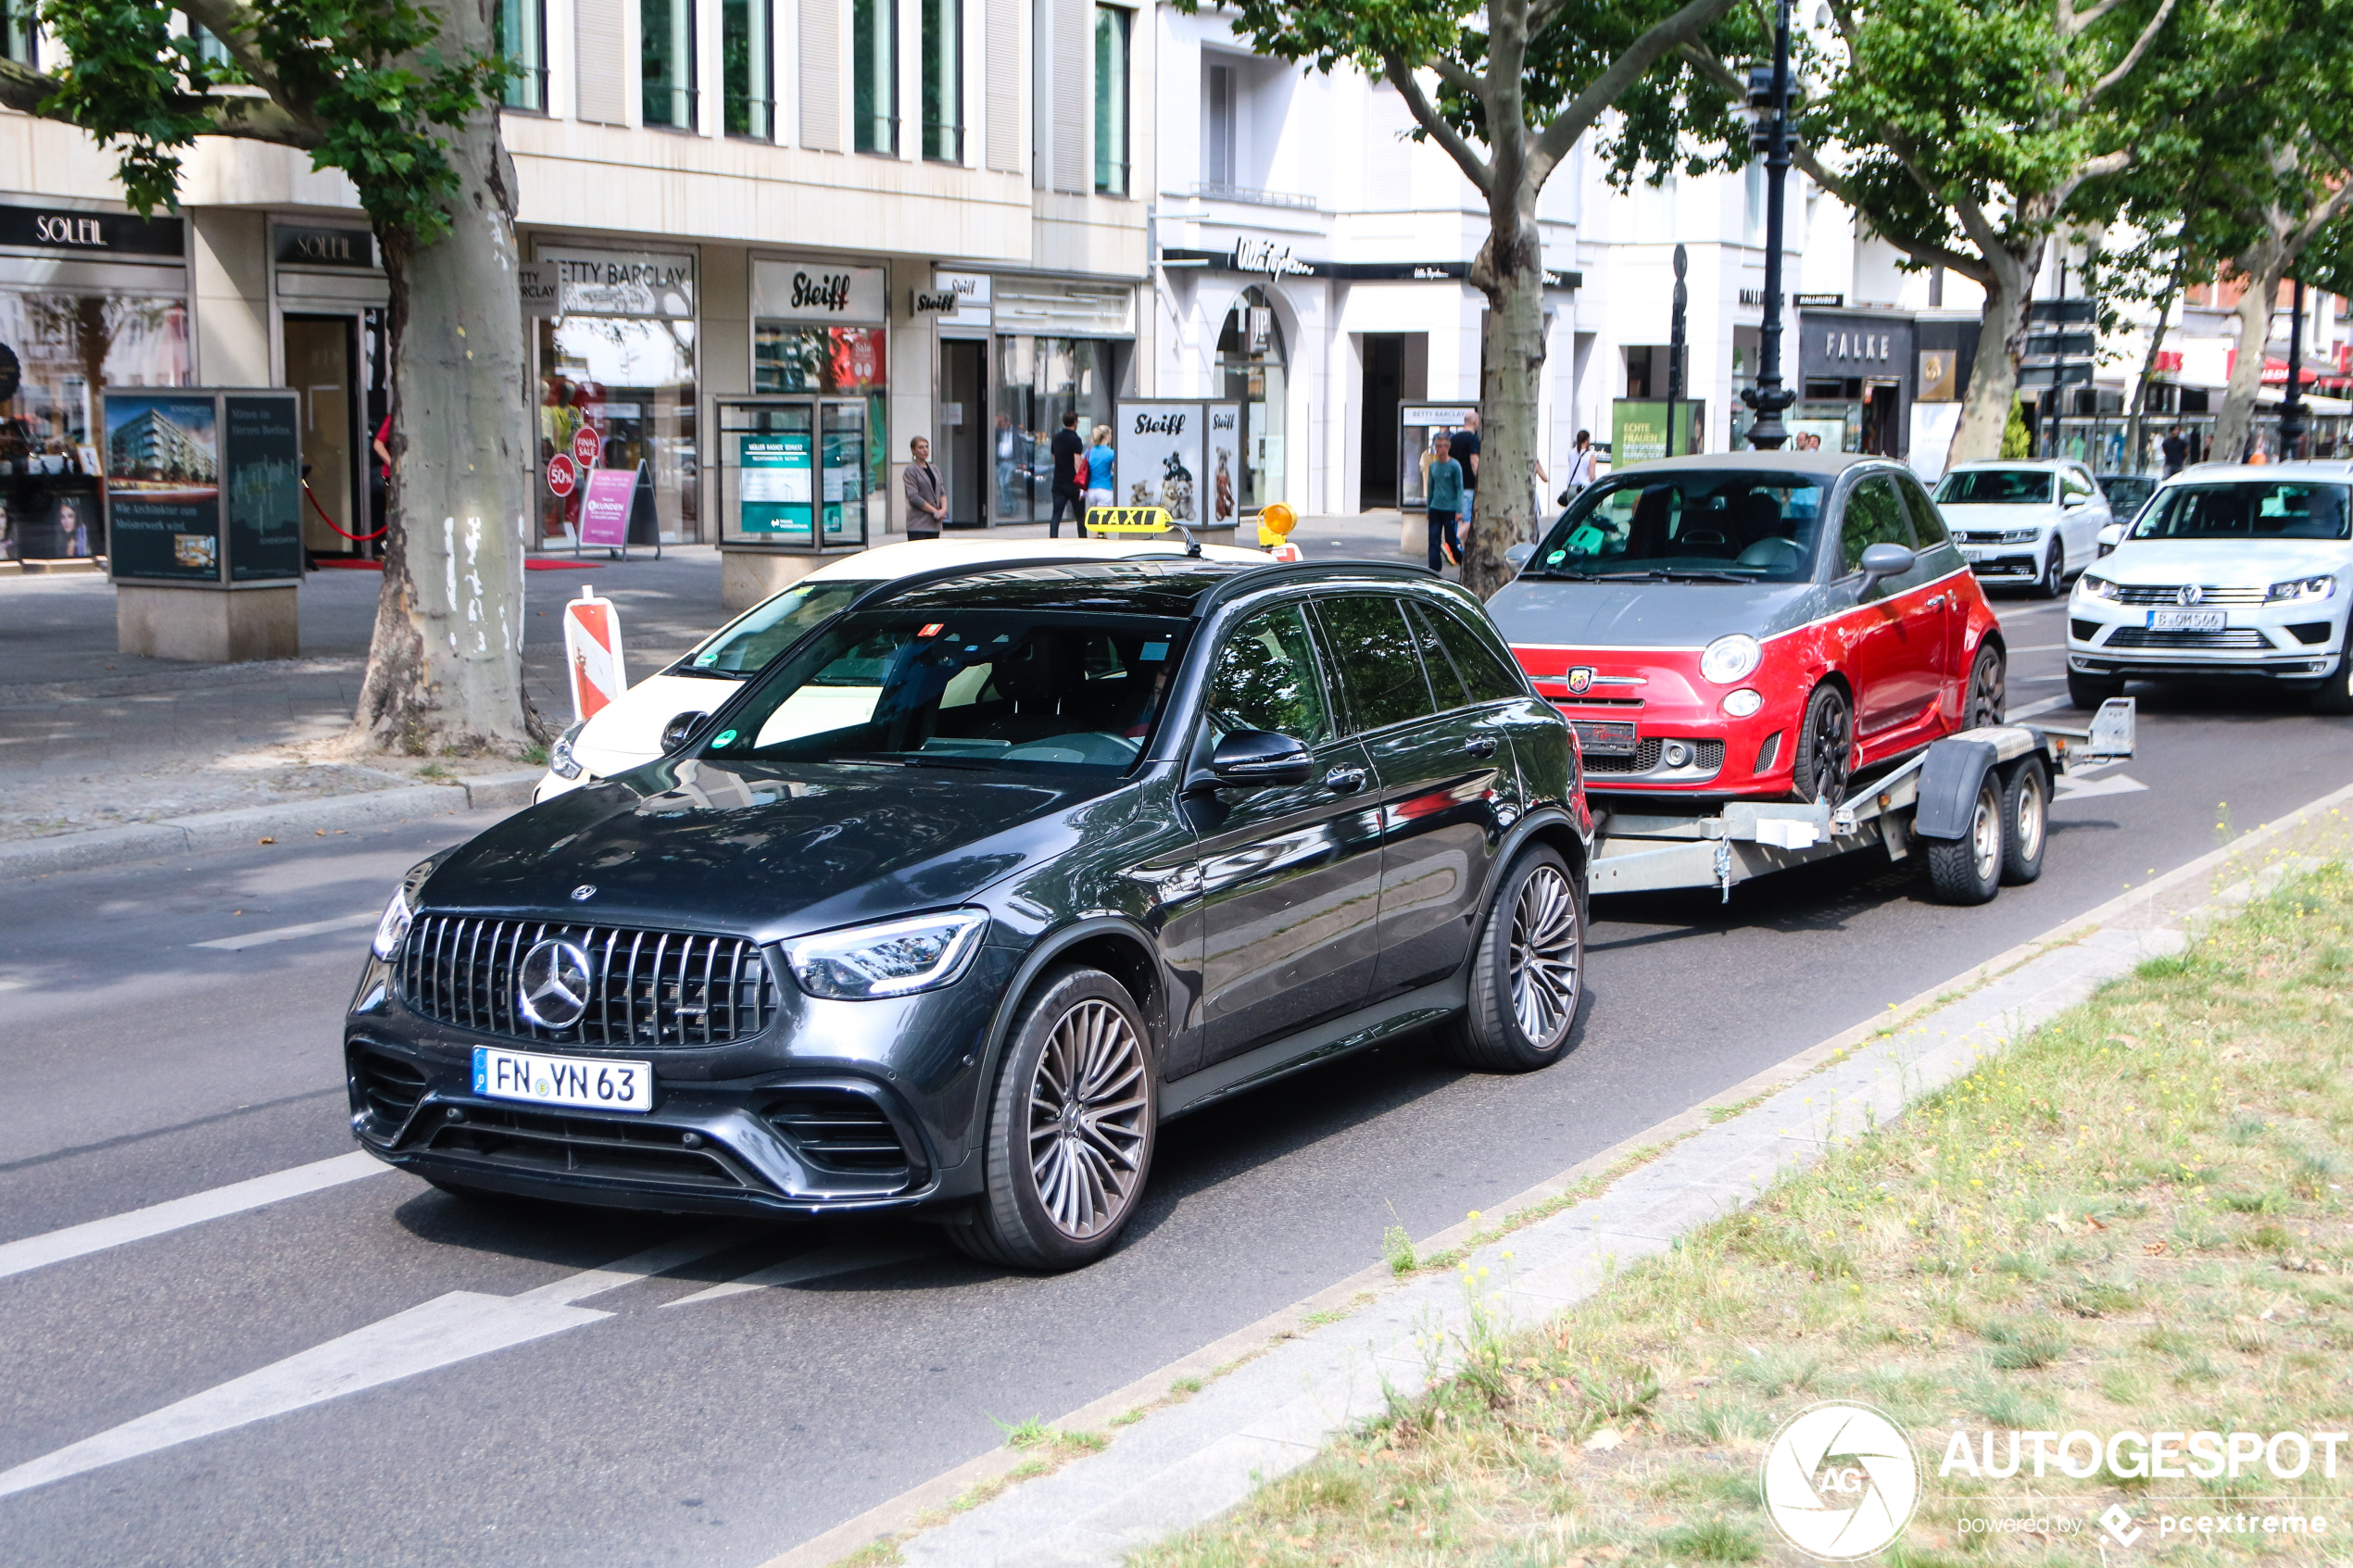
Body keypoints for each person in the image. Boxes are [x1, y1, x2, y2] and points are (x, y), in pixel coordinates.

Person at [1426, 433, 1465, 572]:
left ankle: (1461, 559)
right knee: (1433, 540)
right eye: (1436, 446)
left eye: (1440, 446)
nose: (1437, 449)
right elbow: (1430, 487)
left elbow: (1459, 489)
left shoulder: (1455, 466)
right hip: (1436, 507)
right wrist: (1428, 509)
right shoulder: (1433, 466)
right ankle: (1434, 569)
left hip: (1450, 509)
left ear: (1447, 447)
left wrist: (1459, 510)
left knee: (1450, 539)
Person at [1048, 410, 1086, 538]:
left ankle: (1053, 538)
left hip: (1058, 481)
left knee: (1056, 514)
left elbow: (1054, 457)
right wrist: (1081, 485)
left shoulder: (1056, 438)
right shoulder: (1076, 440)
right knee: (1080, 515)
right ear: (1075, 423)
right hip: (1073, 483)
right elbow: (1077, 463)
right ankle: (1082, 539)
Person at [903, 435, 947, 539]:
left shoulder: (934, 469)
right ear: (913, 450)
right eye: (921, 447)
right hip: (919, 524)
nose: (925, 450)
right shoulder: (911, 470)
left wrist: (943, 509)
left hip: (934, 523)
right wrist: (934, 510)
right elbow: (914, 497)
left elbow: (942, 492)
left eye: (927, 447)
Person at [1452, 411, 1481, 517]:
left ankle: (1453, 534)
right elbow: (1474, 461)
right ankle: (1457, 535)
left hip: (1453, 487)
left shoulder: (1453, 439)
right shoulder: (1473, 439)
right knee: (1467, 522)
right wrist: (1480, 480)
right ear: (1474, 422)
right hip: (1468, 487)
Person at [1085, 425, 1117, 520]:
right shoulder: (1111, 453)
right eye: (1110, 434)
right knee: (1100, 522)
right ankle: (1095, 535)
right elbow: (1116, 470)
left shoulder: (1089, 452)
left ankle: (1100, 535)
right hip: (1105, 489)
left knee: (1098, 521)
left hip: (1091, 490)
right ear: (1106, 436)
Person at [1558, 429, 1596, 503]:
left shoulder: (1570, 453)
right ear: (1587, 440)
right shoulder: (1591, 455)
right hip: (1583, 489)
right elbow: (1592, 476)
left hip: (1571, 489)